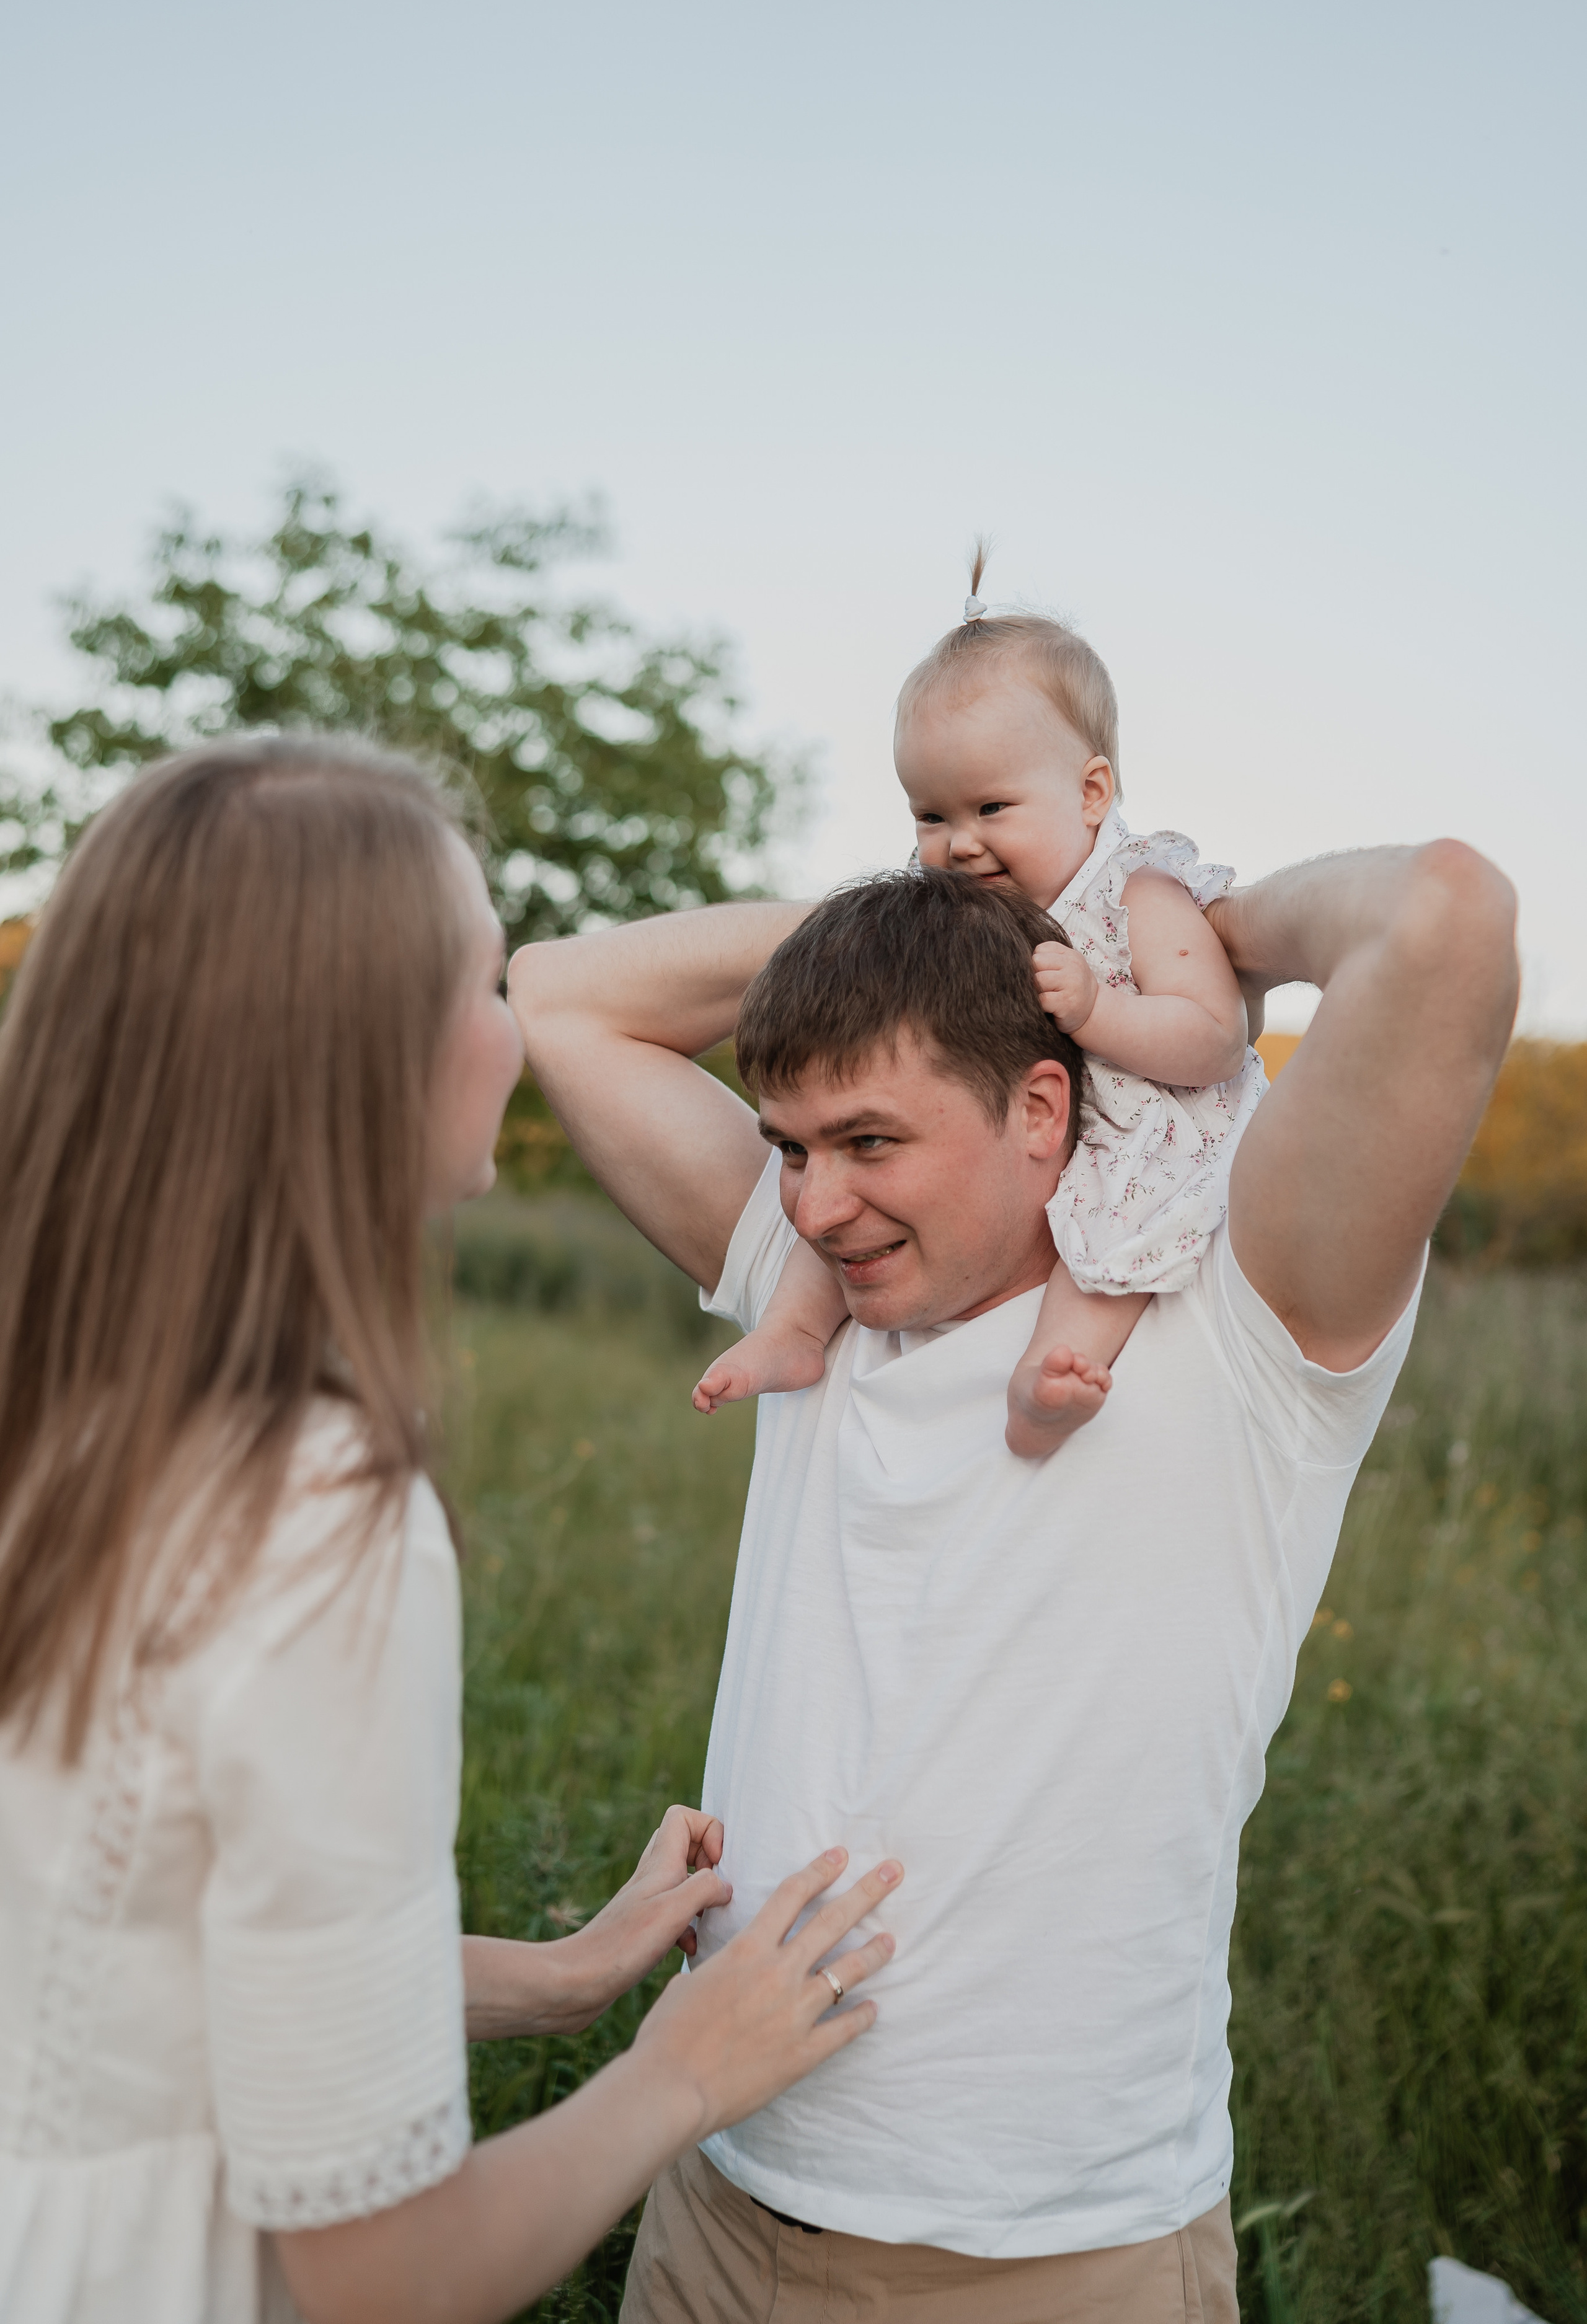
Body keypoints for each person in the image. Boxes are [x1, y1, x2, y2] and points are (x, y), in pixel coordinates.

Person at [510, 818, 1517, 2319]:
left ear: (1042, 1106)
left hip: (1051, 2262)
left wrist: (1147, 934)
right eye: (786, 1147)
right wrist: (949, 928)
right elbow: (556, 991)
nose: (811, 1202)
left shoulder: (1234, 1320)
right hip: (715, 2199)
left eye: (867, 1142)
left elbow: (1441, 918)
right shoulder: (820, 1303)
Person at [0, 738, 899, 2324]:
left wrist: (558, 1978)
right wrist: (679, 2076)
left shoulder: (66, 1414)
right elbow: (383, 2276)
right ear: (355, 1053)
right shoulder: (312, 1514)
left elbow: (125, 1937)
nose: (512, 1035)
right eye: (484, 985)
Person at [693, 572, 1263, 1458]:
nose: (960, 843)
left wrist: (1097, 1012)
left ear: (1091, 792)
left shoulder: (1138, 892)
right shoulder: (959, 910)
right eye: (931, 815)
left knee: (1107, 1238)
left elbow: (1214, 1038)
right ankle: (794, 1334)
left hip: (1141, 1125)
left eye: (992, 808)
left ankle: (1047, 1384)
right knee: (834, 1200)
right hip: (1018, 1133)